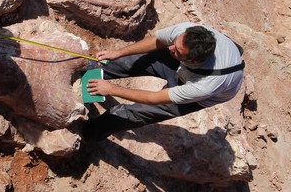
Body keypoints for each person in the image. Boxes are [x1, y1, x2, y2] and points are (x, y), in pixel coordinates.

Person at [82, 22, 245, 142]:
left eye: (177, 51)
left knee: (139, 112)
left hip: (203, 88)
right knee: (135, 61)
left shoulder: (206, 86)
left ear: (193, 61)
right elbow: (158, 41)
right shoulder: (185, 34)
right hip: (190, 64)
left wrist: (111, 89)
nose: (170, 49)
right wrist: (118, 53)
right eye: (174, 44)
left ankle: (89, 132)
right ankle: (86, 71)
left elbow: (154, 99)